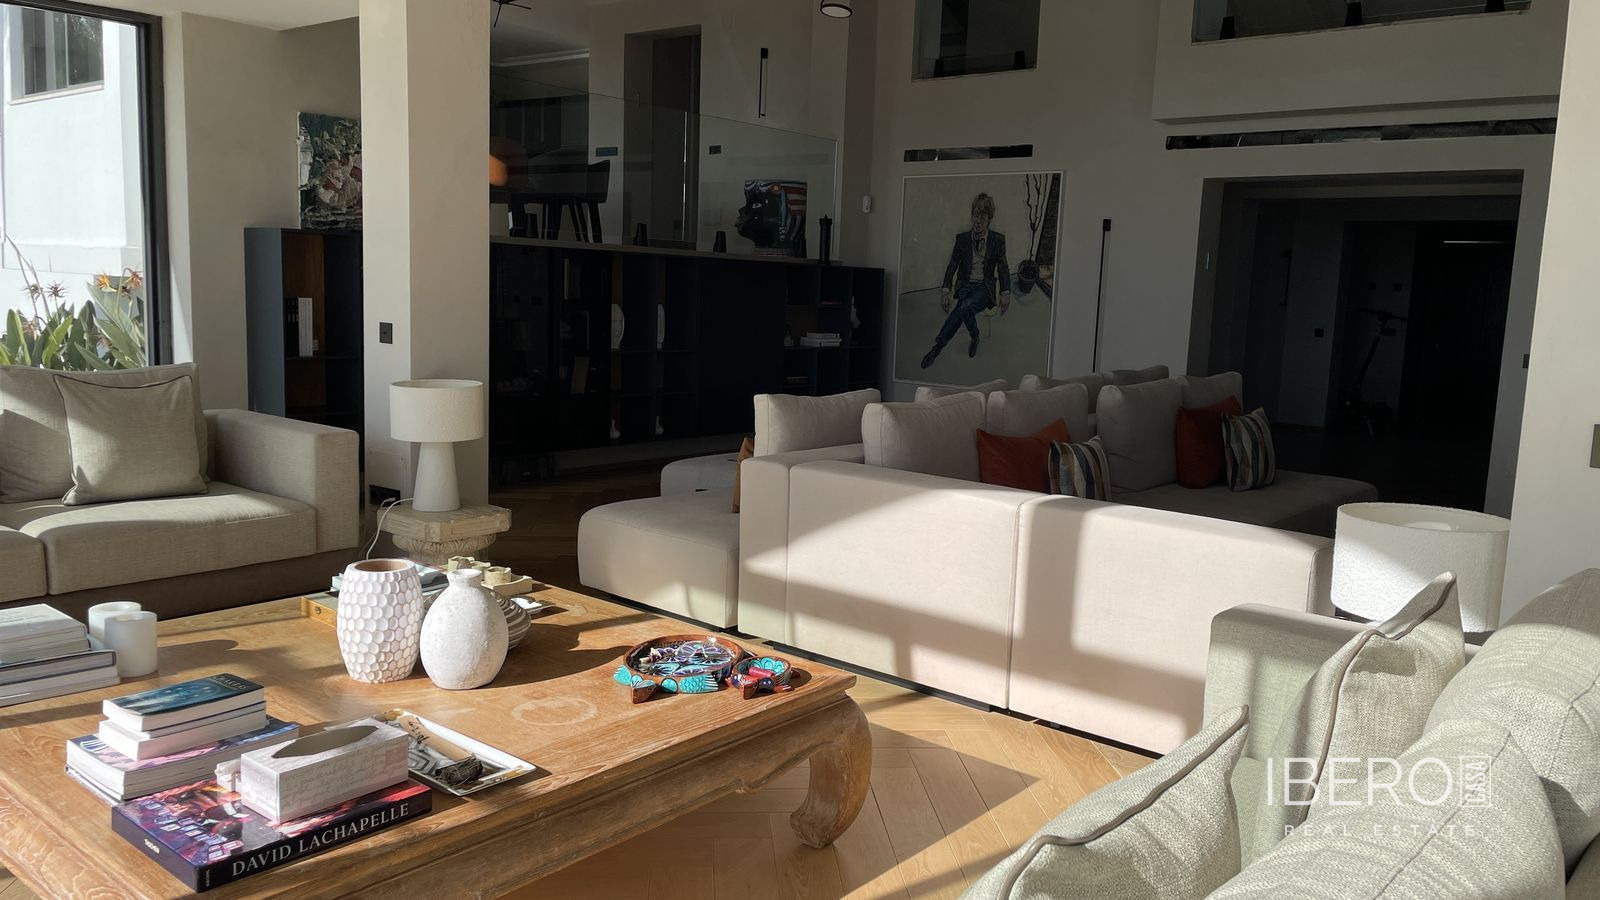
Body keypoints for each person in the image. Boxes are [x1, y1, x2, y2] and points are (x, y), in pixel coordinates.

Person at [921, 192, 1013, 369]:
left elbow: (1003, 267)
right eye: (975, 215)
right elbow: (953, 264)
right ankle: (975, 335)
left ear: (989, 219)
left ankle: (937, 347)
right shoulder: (962, 240)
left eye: (982, 217)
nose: (977, 221)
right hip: (965, 285)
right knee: (965, 308)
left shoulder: (997, 240)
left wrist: (1005, 292)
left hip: (984, 288)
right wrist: (946, 291)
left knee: (964, 307)